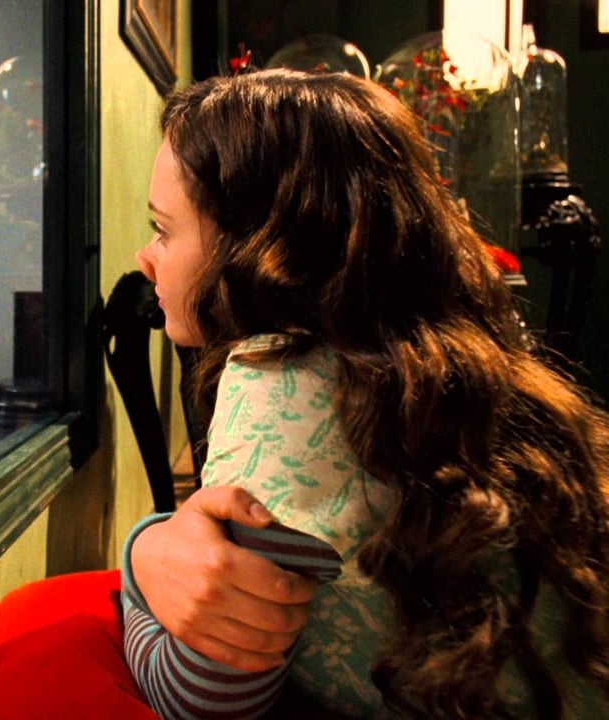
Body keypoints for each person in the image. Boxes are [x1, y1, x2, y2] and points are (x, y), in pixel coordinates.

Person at [123, 69, 609, 718]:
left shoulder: (276, 384)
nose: (145, 257)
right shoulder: (466, 367)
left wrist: (138, 558)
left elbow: (205, 695)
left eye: (163, 230)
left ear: (254, 245)